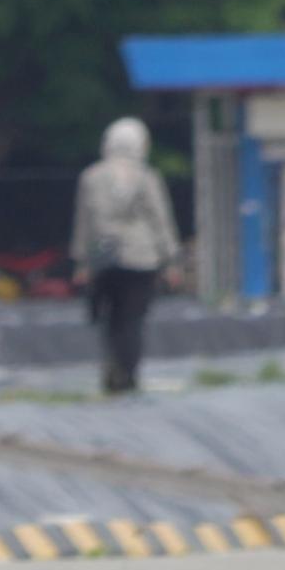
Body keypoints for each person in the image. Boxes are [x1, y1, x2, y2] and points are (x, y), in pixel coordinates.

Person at [74, 117, 182, 395]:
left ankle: (112, 369)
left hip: (103, 255)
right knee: (133, 319)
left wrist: (82, 261)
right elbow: (160, 219)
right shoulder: (146, 177)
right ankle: (129, 375)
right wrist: (170, 259)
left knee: (108, 316)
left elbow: (84, 222)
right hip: (141, 257)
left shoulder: (91, 177)